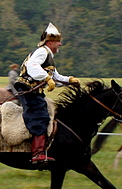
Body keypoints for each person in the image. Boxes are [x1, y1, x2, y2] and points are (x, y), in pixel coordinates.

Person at [14, 22, 80, 164]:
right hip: (28, 89)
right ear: (50, 42)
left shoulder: (48, 56)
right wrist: (46, 78)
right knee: (40, 116)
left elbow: (55, 77)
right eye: (58, 42)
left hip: (33, 91)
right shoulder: (42, 52)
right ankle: (37, 154)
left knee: (45, 112)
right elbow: (32, 66)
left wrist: (70, 80)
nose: (60, 45)